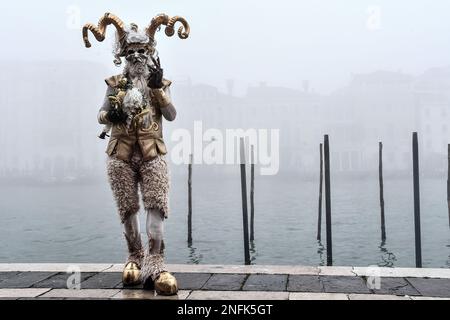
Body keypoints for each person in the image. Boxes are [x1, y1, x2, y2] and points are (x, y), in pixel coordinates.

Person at [82, 12, 190, 295]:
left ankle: (157, 263)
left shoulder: (158, 84)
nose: (138, 56)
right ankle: (134, 258)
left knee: (156, 208)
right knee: (127, 209)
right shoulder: (115, 84)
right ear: (124, 54)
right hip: (120, 153)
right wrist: (113, 113)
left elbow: (171, 114)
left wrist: (158, 91)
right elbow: (100, 115)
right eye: (132, 51)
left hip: (153, 152)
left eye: (143, 50)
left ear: (150, 52)